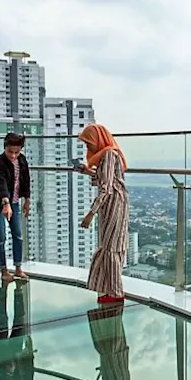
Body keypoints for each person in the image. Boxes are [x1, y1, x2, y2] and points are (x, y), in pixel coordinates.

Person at [77, 124, 129, 303]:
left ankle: (116, 293)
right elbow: (106, 180)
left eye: (88, 143)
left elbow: (106, 188)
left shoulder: (108, 154)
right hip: (111, 204)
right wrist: (88, 172)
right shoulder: (108, 154)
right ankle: (111, 289)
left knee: (111, 247)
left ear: (97, 140)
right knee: (109, 246)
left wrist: (90, 214)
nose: (88, 148)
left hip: (113, 203)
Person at [0, 132, 31, 281]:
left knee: (18, 234)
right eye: (10, 152)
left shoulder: (22, 161)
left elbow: (25, 181)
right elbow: (1, 184)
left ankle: (18, 268)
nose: (13, 155)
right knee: (1, 236)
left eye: (16, 152)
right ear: (4, 148)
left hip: (14, 201)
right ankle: (4, 270)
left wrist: (27, 200)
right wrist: (6, 203)